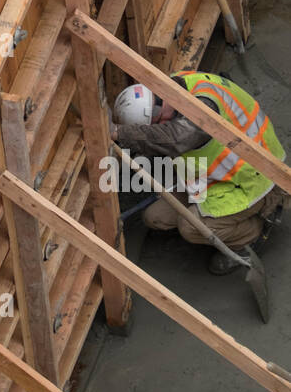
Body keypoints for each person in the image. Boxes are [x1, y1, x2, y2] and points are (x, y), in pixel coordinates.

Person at [110, 71, 284, 274]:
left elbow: (175, 138)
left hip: (254, 181)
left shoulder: (203, 108)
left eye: (156, 125)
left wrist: (117, 133)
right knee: (154, 217)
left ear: (158, 107)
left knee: (189, 228)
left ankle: (251, 234)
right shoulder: (174, 87)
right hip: (214, 175)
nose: (159, 127)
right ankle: (213, 221)